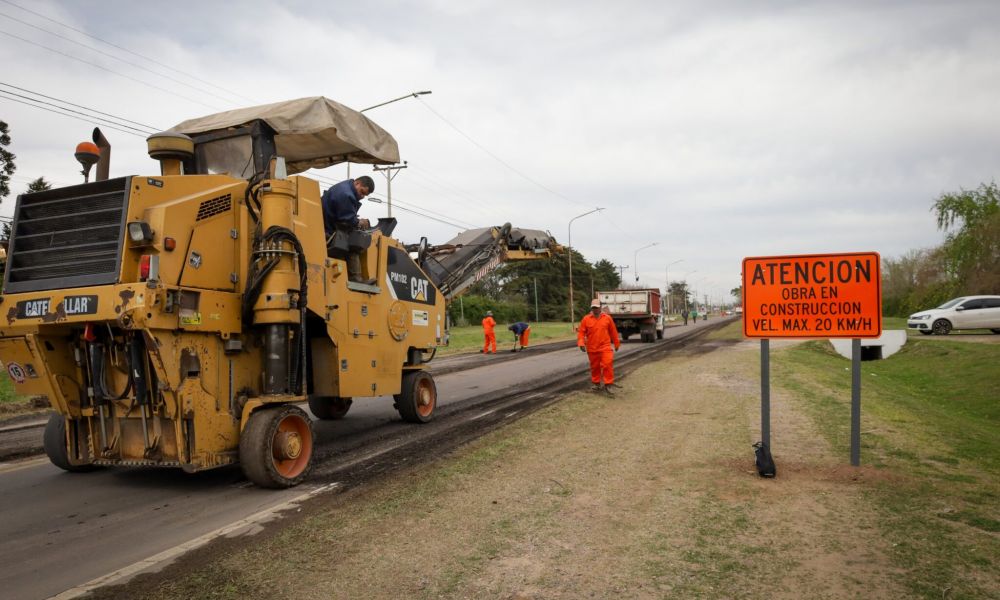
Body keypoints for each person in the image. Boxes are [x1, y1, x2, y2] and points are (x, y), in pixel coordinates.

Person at [321, 176, 375, 283]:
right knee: (354, 244)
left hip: (328, 225)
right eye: (362, 192)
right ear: (357, 184)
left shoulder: (344, 188)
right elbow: (348, 220)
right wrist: (361, 222)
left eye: (365, 195)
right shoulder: (347, 195)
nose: (362, 196)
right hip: (328, 230)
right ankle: (355, 279)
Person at [578, 299, 620, 395]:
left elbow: (613, 332)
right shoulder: (586, 319)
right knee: (595, 367)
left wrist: (617, 344)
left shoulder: (607, 318)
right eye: (593, 308)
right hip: (592, 348)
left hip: (605, 347)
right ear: (591, 308)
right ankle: (596, 384)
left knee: (607, 364)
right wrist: (581, 343)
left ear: (600, 307)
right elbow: (581, 332)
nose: (595, 309)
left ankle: (608, 384)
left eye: (597, 307)